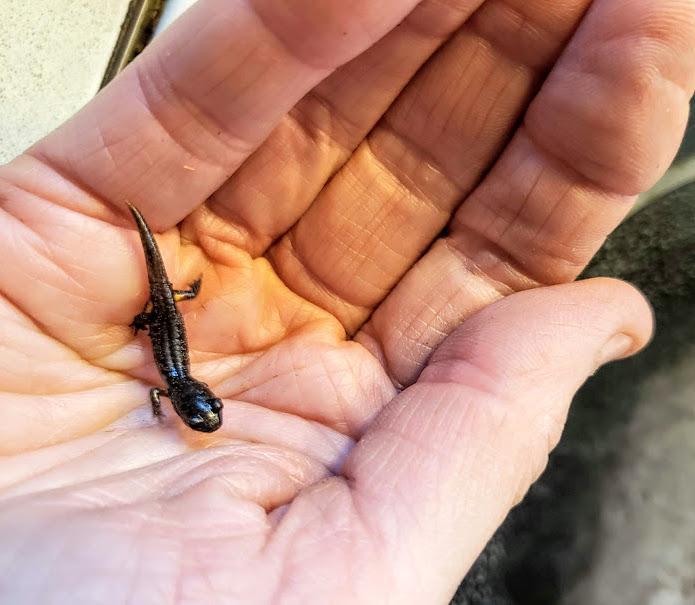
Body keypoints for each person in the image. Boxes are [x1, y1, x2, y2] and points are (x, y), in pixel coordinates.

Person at [0, 0, 692, 602]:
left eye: (196, 409)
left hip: (168, 314)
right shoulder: (172, 381)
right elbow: (162, 367)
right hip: (165, 314)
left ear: (188, 401)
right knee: (163, 306)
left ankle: (163, 278)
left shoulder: (174, 380)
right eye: (198, 409)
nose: (198, 409)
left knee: (165, 305)